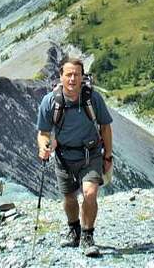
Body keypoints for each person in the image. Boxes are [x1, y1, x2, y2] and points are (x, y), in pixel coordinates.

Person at [36, 57, 113, 257]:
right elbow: (43, 132)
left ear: (82, 77)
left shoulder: (92, 99)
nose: (72, 79)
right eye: (68, 74)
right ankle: (74, 230)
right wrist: (43, 147)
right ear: (60, 76)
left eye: (76, 75)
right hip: (63, 156)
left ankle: (88, 235)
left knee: (89, 193)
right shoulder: (50, 101)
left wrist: (108, 156)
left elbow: (105, 127)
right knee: (69, 198)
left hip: (91, 154)